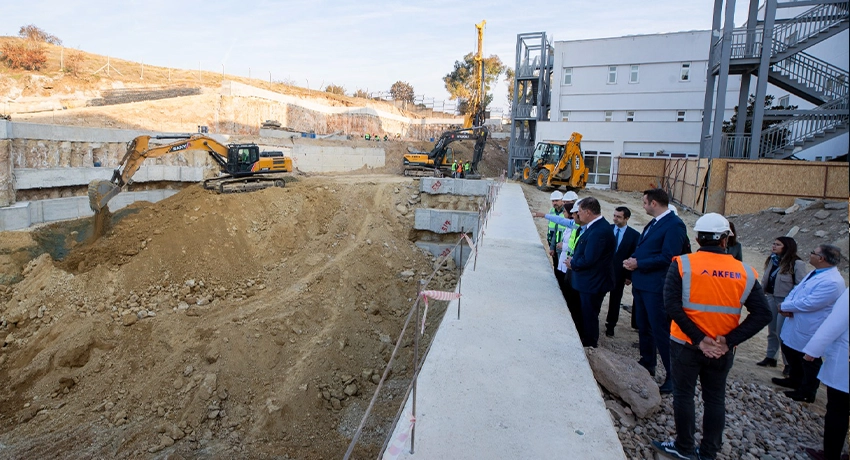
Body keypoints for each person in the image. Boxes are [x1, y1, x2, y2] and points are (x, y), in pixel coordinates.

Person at [651, 213, 771, 460]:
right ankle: (708, 452)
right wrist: (727, 341)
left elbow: (671, 306)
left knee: (684, 396)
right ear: (726, 240)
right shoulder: (745, 272)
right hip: (722, 350)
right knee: (715, 399)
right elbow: (763, 314)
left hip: (685, 344)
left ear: (697, 238)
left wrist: (698, 338)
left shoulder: (683, 264)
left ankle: (684, 447)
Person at [623, 188, 690, 393]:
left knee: (661, 331)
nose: (642, 206)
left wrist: (639, 263)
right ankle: (647, 363)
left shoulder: (674, 226)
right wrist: (633, 260)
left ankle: (672, 375)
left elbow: (669, 257)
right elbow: (647, 248)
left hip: (657, 287)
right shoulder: (655, 223)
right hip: (643, 285)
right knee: (645, 327)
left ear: (654, 203)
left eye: (644, 202)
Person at [774, 244, 845, 403]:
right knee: (790, 349)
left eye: (813, 252)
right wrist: (786, 305)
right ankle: (794, 380)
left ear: (821, 258)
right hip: (796, 319)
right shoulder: (816, 272)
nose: (810, 254)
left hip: (811, 325)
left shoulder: (833, 281)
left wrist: (785, 306)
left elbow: (811, 303)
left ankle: (807, 392)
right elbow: (797, 291)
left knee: (808, 359)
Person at [802, 287, 849, 460]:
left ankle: (831, 455)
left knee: (838, 409)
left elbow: (834, 324)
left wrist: (813, 350)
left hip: (845, 362)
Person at [565, 197, 616, 348]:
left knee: (589, 315)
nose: (578, 215)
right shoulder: (595, 227)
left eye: (579, 211)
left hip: (593, 283)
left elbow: (590, 259)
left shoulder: (599, 231)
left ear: (588, 212)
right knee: (585, 313)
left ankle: (590, 345)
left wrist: (573, 263)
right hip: (589, 281)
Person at [757, 237, 808, 369]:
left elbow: (800, 286)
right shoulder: (772, 260)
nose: (774, 246)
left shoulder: (797, 263)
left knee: (782, 333)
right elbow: (765, 279)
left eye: (777, 244)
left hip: (786, 301)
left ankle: (788, 364)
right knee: (772, 330)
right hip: (771, 297)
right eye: (773, 243)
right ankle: (770, 357)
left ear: (786, 247)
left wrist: (792, 304)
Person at [605, 206, 640, 337]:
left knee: (615, 300)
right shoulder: (607, 229)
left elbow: (633, 255)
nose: (615, 219)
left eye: (618, 217)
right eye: (614, 216)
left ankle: (611, 325)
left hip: (619, 274)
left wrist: (629, 276)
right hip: (603, 272)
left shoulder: (634, 235)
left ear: (626, 218)